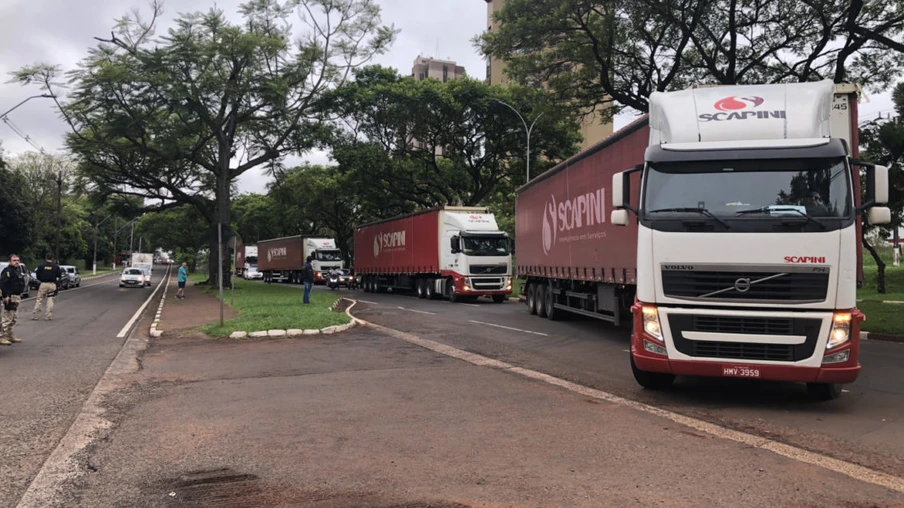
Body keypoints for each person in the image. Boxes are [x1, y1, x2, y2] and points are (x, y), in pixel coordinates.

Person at [0, 254, 27, 346]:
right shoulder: (7, 271)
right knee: (7, 318)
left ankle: (9, 335)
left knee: (13, 319)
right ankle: (2, 336)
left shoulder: (17, 271)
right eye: (14, 260)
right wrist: (5, 296)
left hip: (17, 296)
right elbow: (3, 284)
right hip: (10, 297)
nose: (17, 262)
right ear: (10, 261)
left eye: (18, 260)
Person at [33, 252, 62, 321]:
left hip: (43, 284)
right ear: (53, 258)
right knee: (50, 300)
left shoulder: (41, 266)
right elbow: (59, 276)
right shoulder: (55, 267)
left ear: (46, 258)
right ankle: (48, 316)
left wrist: (41, 279)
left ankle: (35, 315)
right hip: (52, 284)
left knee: (39, 300)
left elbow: (37, 275)